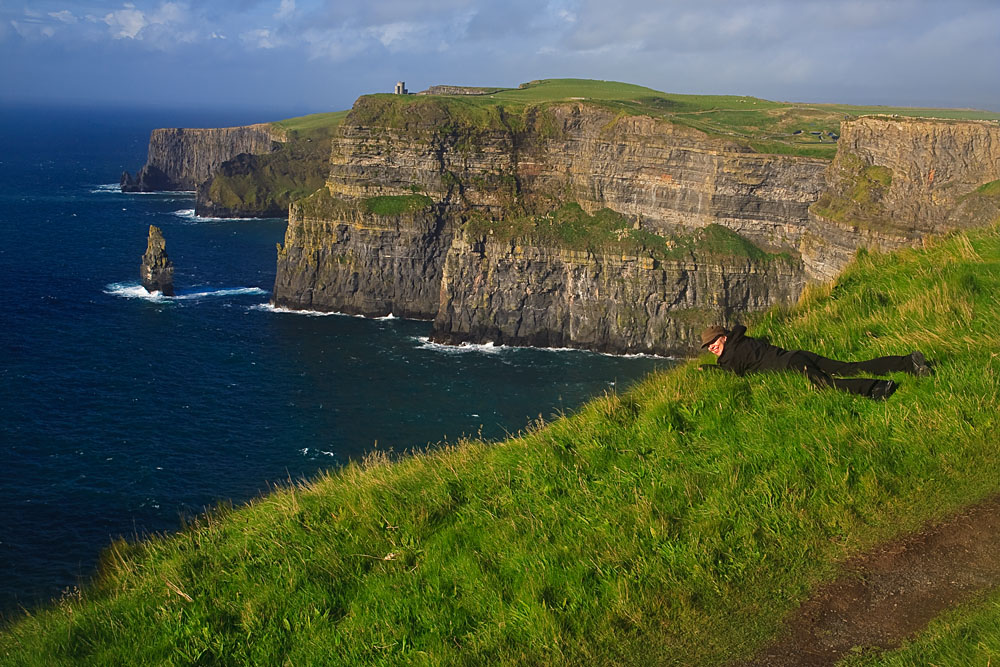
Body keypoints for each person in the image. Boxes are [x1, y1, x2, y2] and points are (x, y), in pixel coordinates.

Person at [698, 324, 932, 400]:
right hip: (798, 354)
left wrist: (708, 368)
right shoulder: (742, 339)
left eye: (713, 343)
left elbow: (730, 372)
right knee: (850, 367)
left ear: (724, 338)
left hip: (791, 365)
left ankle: (878, 389)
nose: (711, 348)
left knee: (826, 385)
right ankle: (908, 363)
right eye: (708, 347)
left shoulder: (732, 355)